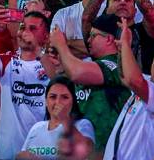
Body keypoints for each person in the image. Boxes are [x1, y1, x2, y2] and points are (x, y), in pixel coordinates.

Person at [0, 6, 51, 160]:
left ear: (46, 36)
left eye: (32, 28)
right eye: (22, 27)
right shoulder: (7, 61)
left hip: (41, 156)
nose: (25, 32)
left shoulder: (53, 64)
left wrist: (37, 49)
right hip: (6, 155)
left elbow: (59, 80)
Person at [49, 14, 130, 149]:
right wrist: (60, 62)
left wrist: (62, 45)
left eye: (93, 36)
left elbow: (76, 73)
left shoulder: (116, 64)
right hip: (80, 148)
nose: (88, 40)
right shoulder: (92, 66)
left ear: (109, 39)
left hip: (105, 151)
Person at [102, 32, 154, 160]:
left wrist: (125, 45)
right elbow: (125, 76)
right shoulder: (148, 81)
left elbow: (133, 80)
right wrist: (123, 49)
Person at [17, 75, 96, 160]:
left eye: (64, 97)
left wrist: (64, 118)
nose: (58, 102)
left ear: (73, 101)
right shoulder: (37, 127)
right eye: (53, 97)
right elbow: (21, 156)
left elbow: (87, 151)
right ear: (46, 101)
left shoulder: (82, 124)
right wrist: (23, 156)